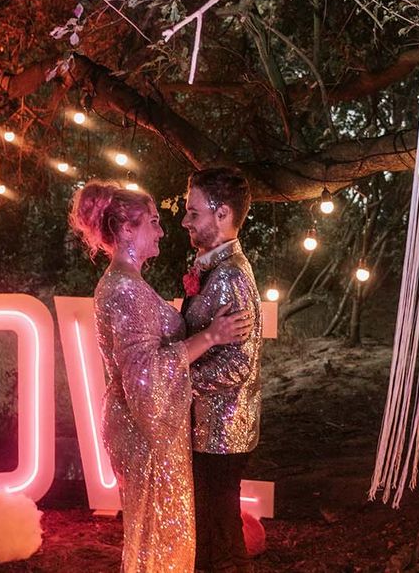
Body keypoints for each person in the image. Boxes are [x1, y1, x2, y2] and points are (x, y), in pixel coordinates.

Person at [69, 181, 252, 573]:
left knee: (159, 530)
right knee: (160, 533)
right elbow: (145, 376)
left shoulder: (128, 283)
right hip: (143, 429)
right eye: (153, 222)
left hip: (145, 426)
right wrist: (211, 336)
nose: (163, 230)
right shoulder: (123, 290)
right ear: (126, 230)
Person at [181, 168, 263, 573]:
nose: (185, 221)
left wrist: (176, 380)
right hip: (209, 428)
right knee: (212, 534)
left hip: (220, 431)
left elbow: (238, 363)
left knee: (222, 544)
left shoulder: (230, 277)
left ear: (223, 213)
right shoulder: (212, 267)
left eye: (193, 212)